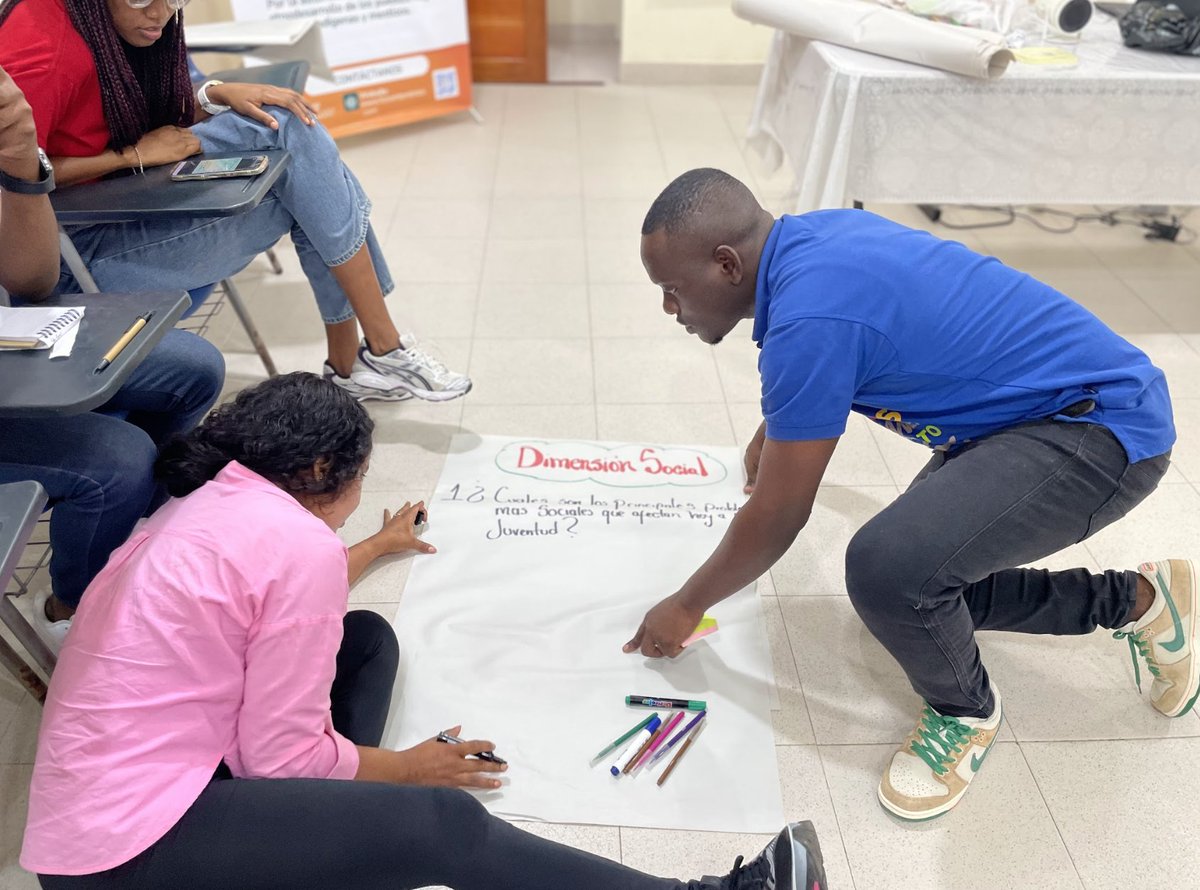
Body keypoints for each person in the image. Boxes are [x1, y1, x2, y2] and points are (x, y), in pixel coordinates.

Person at [21, 371, 828, 890]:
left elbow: (268, 599)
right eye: (361, 478)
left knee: (367, 637)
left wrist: (376, 544)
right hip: (123, 849)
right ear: (316, 477)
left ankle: (319, 846)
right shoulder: (293, 542)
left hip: (153, 775)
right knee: (439, 826)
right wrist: (405, 769)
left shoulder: (216, 501)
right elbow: (280, 756)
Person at [624, 168, 1191, 822]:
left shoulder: (810, 320)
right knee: (924, 589)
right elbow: (847, 335)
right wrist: (782, 423)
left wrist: (686, 605)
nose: (671, 309)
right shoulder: (814, 240)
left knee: (889, 571)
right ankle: (1145, 601)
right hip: (1032, 414)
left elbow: (780, 512)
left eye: (671, 289)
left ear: (726, 264)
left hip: (1100, 430)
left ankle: (965, 713)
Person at [0, 0, 471, 403]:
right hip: (74, 257)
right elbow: (13, 177)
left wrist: (217, 92)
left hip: (123, 192)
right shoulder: (44, 48)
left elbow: (147, 101)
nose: (161, 14)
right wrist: (136, 154)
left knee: (290, 132)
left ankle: (362, 362)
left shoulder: (120, 19)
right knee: (311, 186)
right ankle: (368, 358)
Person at [0, 62, 223, 646]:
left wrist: (23, 160)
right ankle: (68, 607)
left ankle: (129, 541)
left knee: (194, 370)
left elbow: (30, 281)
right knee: (115, 458)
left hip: (10, 336)